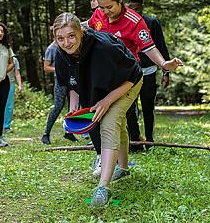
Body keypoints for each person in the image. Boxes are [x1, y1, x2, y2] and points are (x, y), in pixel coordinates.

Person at [53, 12, 181, 206]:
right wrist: (73, 110)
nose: (66, 42)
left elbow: (132, 75)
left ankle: (103, 187)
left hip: (128, 82)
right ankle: (123, 167)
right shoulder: (61, 55)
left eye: (71, 36)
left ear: (81, 31)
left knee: (110, 122)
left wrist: (106, 101)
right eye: (60, 38)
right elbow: (73, 85)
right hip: (101, 88)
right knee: (116, 126)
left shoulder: (103, 47)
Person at [82, 0, 183, 158]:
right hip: (103, 75)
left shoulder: (135, 21)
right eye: (102, 7)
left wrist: (164, 64)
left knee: (112, 118)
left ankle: (104, 160)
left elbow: (149, 47)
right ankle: (122, 164)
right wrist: (67, 28)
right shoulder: (99, 13)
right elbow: (87, 26)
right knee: (114, 120)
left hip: (127, 77)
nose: (106, 12)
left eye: (110, 7)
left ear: (120, 0)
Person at [126, 0, 171, 148]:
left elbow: (161, 47)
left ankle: (150, 140)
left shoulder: (151, 23)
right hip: (130, 73)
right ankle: (135, 139)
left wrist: (166, 72)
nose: (134, 12)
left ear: (142, 8)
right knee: (130, 108)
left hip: (149, 71)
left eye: (137, 9)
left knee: (147, 106)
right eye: (131, 8)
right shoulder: (124, 24)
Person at [41, 41, 78, 145]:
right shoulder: (51, 48)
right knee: (58, 106)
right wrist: (61, 69)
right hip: (60, 81)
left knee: (73, 107)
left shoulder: (71, 45)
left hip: (73, 80)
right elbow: (46, 67)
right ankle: (46, 134)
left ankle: (69, 132)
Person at [3, 52, 23, 134]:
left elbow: (17, 73)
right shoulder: (0, 58)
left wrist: (20, 85)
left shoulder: (14, 60)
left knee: (9, 106)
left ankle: (6, 127)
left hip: (11, 83)